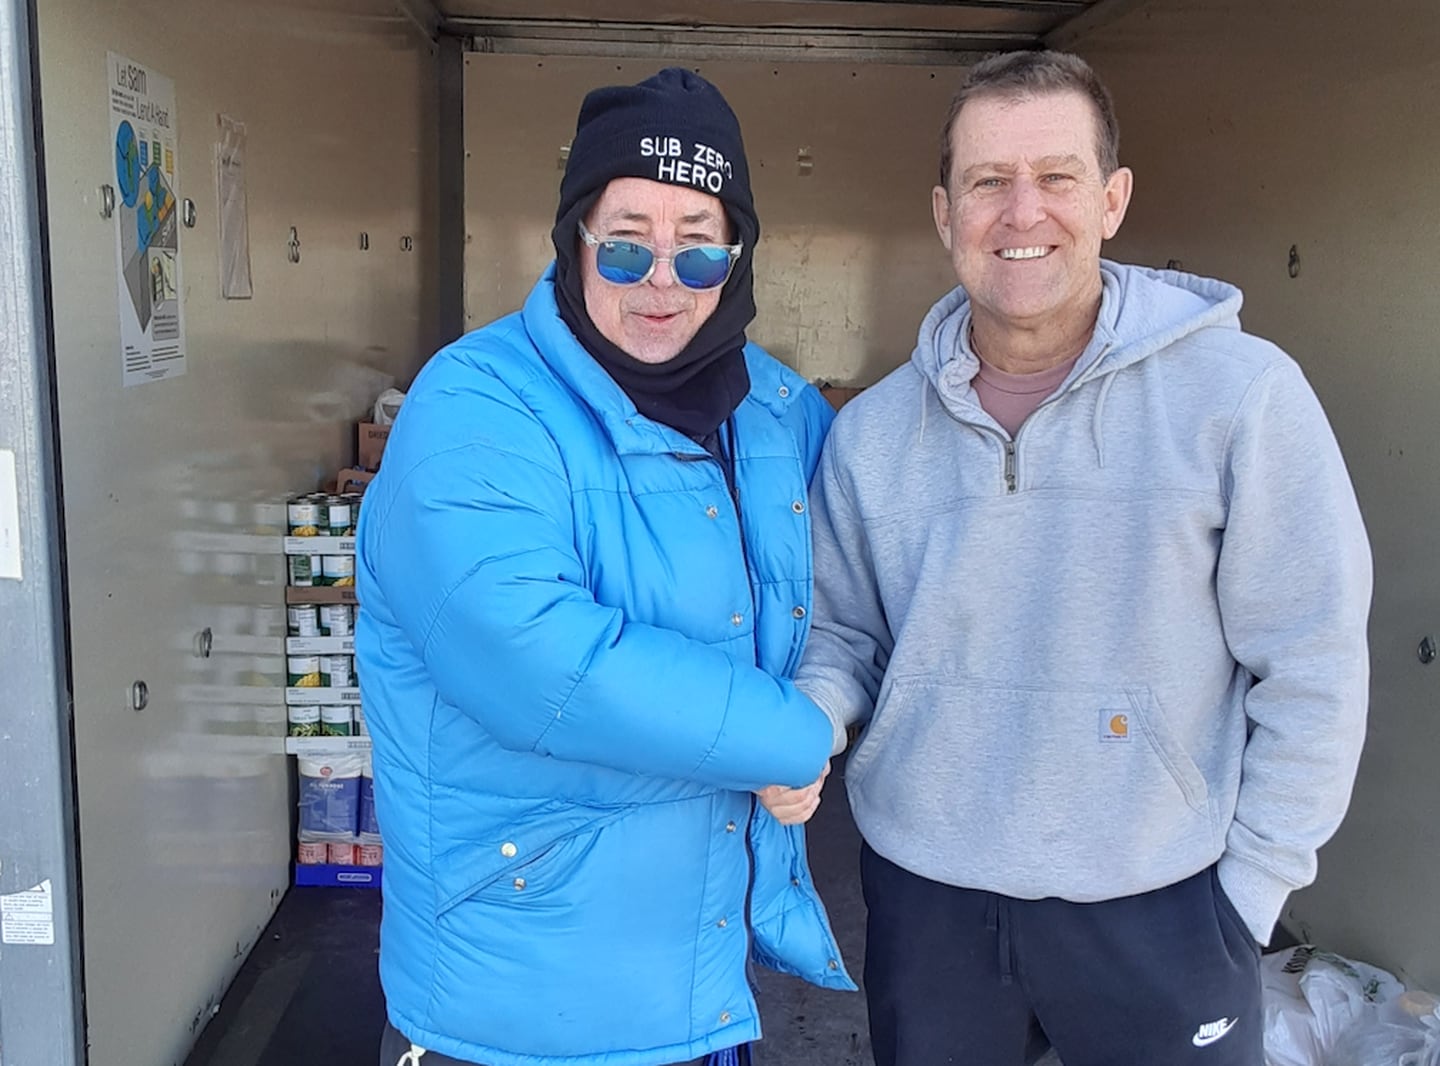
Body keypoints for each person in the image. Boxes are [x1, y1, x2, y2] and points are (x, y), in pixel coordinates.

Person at [793, 50, 1372, 1066]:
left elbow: (1313, 658)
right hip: (930, 906)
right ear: (943, 211)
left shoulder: (1242, 397)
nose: (1023, 213)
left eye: (1056, 178)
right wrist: (809, 713)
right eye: (987, 182)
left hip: (1165, 908)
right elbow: (845, 630)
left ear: (1111, 199)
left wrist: (1250, 894)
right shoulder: (872, 434)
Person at [356, 68, 853, 1066]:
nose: (662, 277)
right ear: (575, 240)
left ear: (739, 253)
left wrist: (827, 703)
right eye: (626, 243)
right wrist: (787, 734)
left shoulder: (778, 411)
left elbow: (847, 596)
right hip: (518, 1010)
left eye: (699, 244)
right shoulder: (477, 403)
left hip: (704, 986)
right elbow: (536, 657)